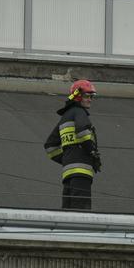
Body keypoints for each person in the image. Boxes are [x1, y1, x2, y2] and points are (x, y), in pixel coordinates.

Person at [44, 79, 101, 211]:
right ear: (78, 96)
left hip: (68, 174)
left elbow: (50, 146)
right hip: (82, 174)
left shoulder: (65, 117)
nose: (90, 100)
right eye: (87, 96)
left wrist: (67, 158)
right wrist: (91, 153)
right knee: (81, 212)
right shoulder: (80, 113)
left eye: (91, 97)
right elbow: (83, 132)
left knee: (68, 214)